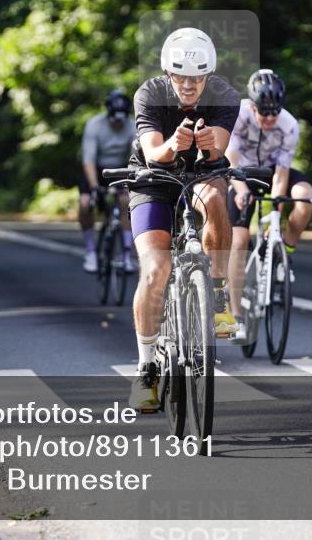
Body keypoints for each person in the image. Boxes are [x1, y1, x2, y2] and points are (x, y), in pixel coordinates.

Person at [127, 27, 241, 411]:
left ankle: (219, 292)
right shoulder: (150, 93)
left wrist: (209, 147)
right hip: (154, 177)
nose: (189, 85)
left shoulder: (224, 95)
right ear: (168, 73)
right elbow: (152, 151)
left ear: (209, 75)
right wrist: (174, 144)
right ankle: (146, 369)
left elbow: (219, 150)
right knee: (154, 270)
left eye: (198, 77)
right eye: (181, 76)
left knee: (215, 198)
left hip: (200, 174)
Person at [225, 69, 312, 338]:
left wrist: (276, 210)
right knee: (239, 241)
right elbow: (230, 159)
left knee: (305, 197)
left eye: (274, 113)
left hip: (272, 172)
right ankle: (236, 316)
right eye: (263, 113)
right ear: (252, 106)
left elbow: (282, 173)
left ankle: (284, 249)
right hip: (241, 174)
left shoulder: (289, 125)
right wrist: (241, 191)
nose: (268, 118)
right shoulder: (238, 115)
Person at [79, 89, 136, 273]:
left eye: (122, 119)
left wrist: (131, 183)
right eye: (114, 119)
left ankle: (126, 255)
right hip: (96, 168)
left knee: (127, 202)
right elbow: (88, 159)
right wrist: (94, 186)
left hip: (120, 168)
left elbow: (136, 157)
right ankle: (90, 251)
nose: (118, 123)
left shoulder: (133, 125)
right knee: (86, 203)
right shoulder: (95, 125)